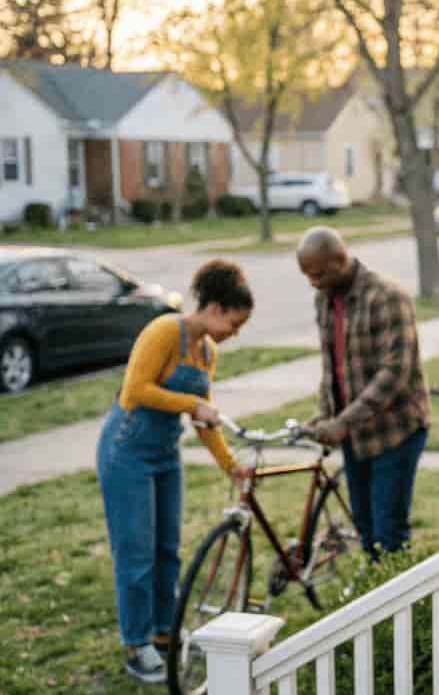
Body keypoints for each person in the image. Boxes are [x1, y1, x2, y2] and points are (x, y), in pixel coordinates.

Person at [96, 259, 253, 684]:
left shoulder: (207, 352)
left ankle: (165, 632)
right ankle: (137, 644)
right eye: (234, 323)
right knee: (136, 553)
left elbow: (204, 419)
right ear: (215, 309)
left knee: (168, 549)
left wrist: (230, 465)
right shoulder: (165, 330)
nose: (235, 333)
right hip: (126, 451)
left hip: (165, 455)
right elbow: (135, 390)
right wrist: (191, 404)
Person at [297, 227, 429, 560]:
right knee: (366, 532)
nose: (313, 283)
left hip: (396, 431)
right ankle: (376, 587)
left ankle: (401, 590)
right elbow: (333, 367)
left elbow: (394, 372)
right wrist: (325, 415)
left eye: (318, 274)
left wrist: (342, 422)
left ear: (341, 260)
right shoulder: (324, 299)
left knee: (388, 534)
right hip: (355, 435)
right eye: (307, 276)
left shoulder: (387, 297)